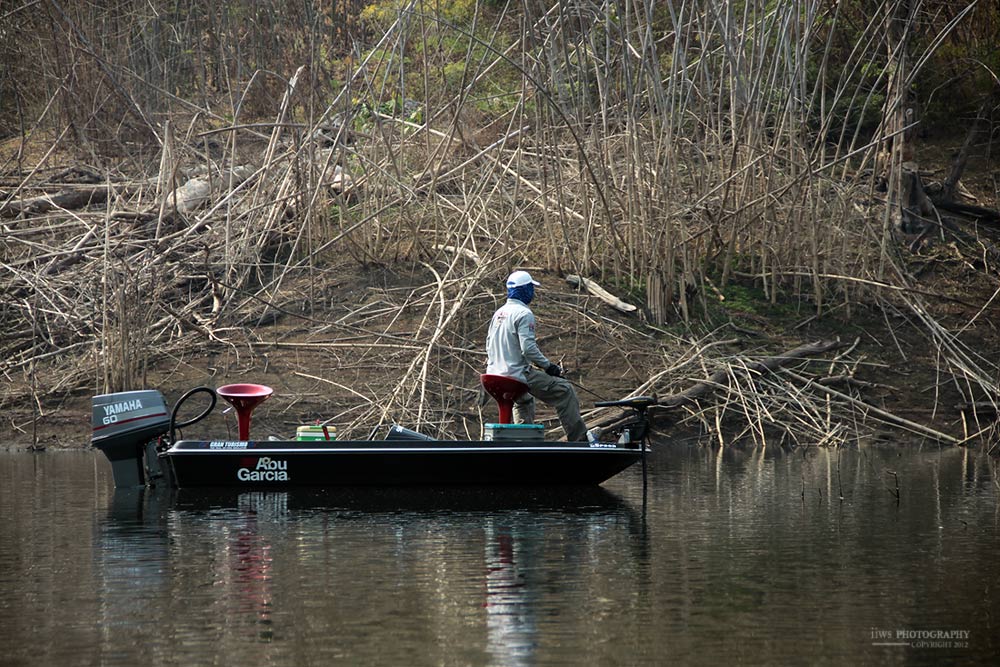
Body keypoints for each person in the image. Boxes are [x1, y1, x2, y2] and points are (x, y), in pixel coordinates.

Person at [486, 270, 590, 442]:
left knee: (523, 399)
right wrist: (549, 366)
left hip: (492, 374)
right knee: (565, 390)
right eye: (531, 289)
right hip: (514, 375)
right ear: (525, 290)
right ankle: (579, 440)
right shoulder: (524, 313)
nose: (533, 293)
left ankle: (523, 441)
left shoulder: (499, 313)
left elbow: (490, 344)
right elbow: (528, 349)